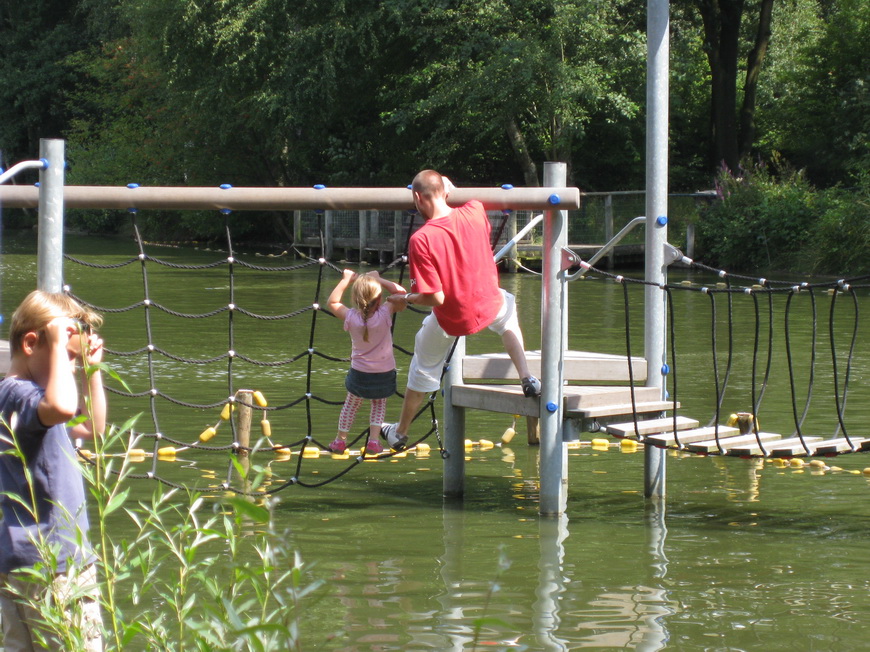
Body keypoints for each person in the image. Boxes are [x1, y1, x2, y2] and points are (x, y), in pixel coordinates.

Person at [381, 170, 541, 451]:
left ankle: (400, 432)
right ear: (446, 190)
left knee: (423, 363)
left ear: (417, 198)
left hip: (453, 319)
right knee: (508, 314)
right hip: (489, 304)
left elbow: (435, 298)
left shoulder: (422, 239)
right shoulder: (475, 211)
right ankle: (527, 377)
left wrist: (405, 297)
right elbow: (466, 201)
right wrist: (449, 188)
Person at [0, 290, 106, 651]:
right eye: (66, 358)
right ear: (31, 344)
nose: (71, 368)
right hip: (54, 565)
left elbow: (90, 427)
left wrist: (91, 371)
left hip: (20, 563)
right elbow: (63, 407)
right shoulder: (21, 396)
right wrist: (62, 342)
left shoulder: (32, 402)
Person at [327, 269, 406, 455]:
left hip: (359, 373)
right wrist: (379, 279)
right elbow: (402, 294)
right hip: (384, 372)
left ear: (355, 299)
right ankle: (373, 441)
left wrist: (346, 279)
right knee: (379, 405)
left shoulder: (351, 317)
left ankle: (340, 440)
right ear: (379, 299)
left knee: (351, 404)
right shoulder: (386, 311)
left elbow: (332, 302)